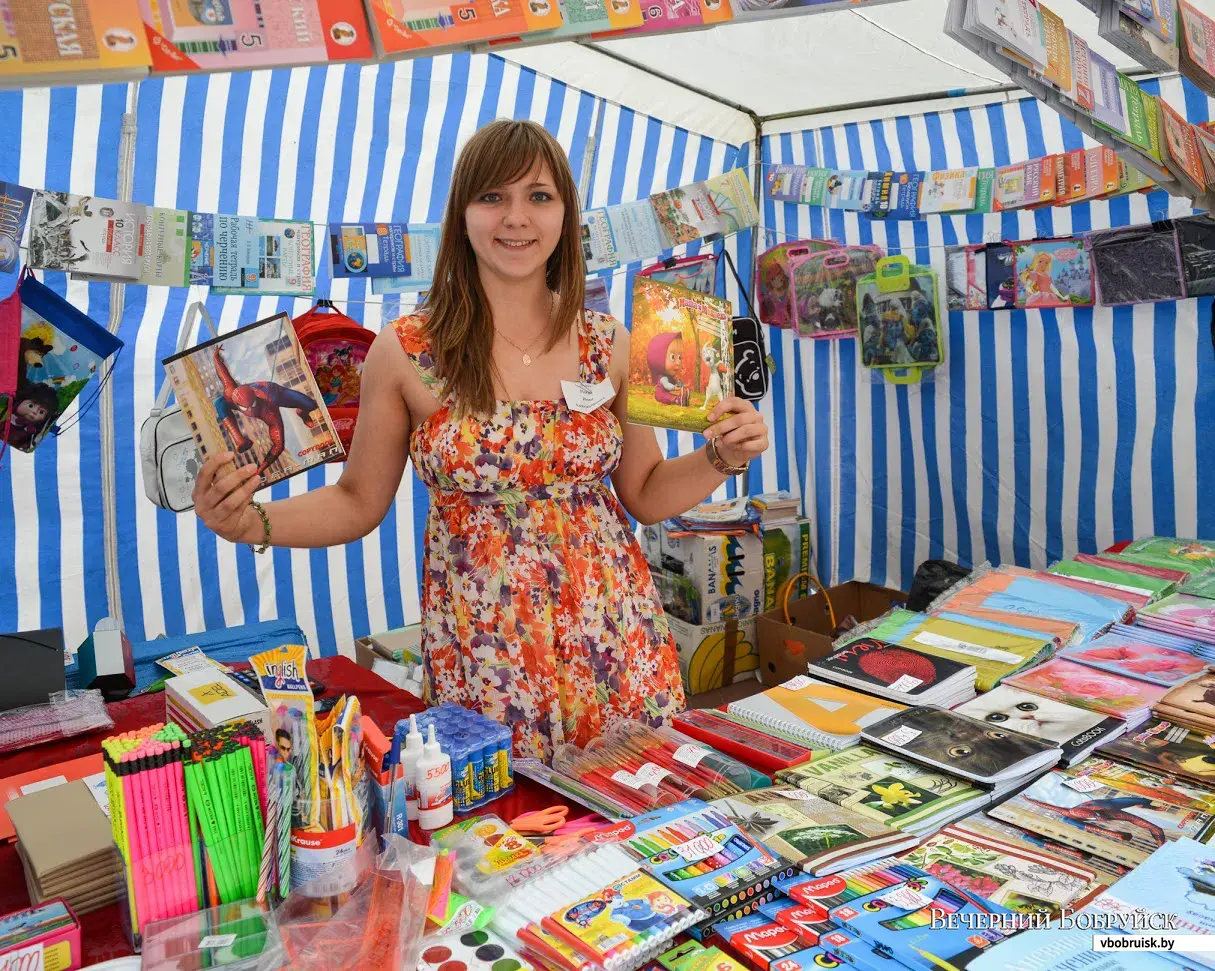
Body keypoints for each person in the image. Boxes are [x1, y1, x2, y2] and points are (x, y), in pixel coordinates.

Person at [192, 119, 770, 761]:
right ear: (461, 215)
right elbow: (357, 501)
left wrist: (722, 455)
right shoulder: (408, 351)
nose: (515, 218)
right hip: (488, 656)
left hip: (617, 639)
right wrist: (254, 523)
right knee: (507, 840)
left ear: (564, 214)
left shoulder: (609, 342)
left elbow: (646, 493)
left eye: (538, 196)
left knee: (628, 823)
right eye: (492, 196)